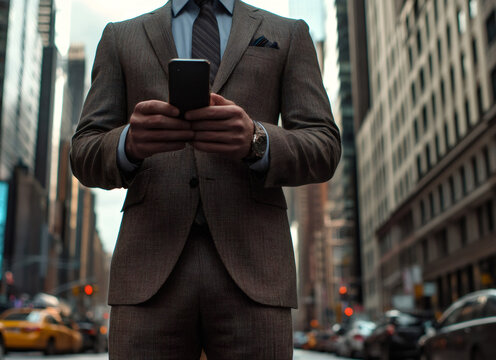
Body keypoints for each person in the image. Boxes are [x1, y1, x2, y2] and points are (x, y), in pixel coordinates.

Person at [70, 0, 341, 358]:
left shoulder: (288, 34)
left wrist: (257, 140)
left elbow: (324, 146)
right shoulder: (121, 37)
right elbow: (83, 151)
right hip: (148, 272)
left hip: (255, 273)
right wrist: (128, 143)